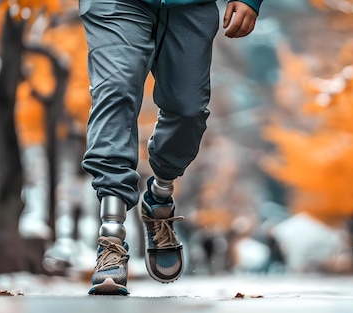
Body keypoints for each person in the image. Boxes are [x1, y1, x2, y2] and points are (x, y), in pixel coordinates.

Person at [79, 0, 263, 295]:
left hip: (190, 5)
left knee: (188, 112)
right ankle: (111, 238)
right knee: (115, 93)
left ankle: (159, 197)